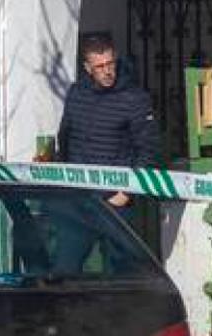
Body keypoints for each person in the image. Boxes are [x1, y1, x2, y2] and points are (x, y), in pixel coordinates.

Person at [52, 34, 159, 272]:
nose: (107, 71)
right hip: (78, 201)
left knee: (119, 275)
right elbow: (65, 139)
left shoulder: (135, 98)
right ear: (88, 68)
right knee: (63, 271)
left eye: (110, 64)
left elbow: (148, 150)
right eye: (100, 66)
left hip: (115, 203)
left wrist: (126, 193)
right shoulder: (76, 94)